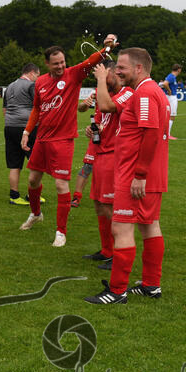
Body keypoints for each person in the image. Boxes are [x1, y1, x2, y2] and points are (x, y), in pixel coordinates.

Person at [85, 48, 169, 305]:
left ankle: (117, 290)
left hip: (136, 175)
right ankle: (151, 285)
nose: (117, 71)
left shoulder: (144, 92)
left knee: (121, 228)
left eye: (121, 67)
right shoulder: (150, 91)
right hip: (148, 174)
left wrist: (140, 175)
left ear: (139, 68)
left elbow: (151, 133)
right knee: (149, 225)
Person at [19, 35, 117, 247]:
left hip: (63, 140)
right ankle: (36, 214)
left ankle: (61, 232)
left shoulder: (73, 74)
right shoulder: (41, 82)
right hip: (42, 139)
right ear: (47, 64)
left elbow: (91, 61)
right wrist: (27, 131)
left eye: (62, 62)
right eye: (56, 64)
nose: (61, 66)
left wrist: (106, 47)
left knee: (61, 184)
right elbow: (36, 108)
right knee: (33, 181)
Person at [81, 62, 134, 269]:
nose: (101, 78)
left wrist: (101, 79)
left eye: (105, 74)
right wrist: (92, 129)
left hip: (115, 155)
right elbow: (101, 118)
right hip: (101, 152)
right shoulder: (103, 92)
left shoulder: (128, 92)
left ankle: (118, 254)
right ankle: (106, 250)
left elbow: (107, 107)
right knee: (98, 204)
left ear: (115, 74)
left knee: (111, 207)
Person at [3, 63, 40, 204]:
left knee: (14, 164)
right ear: (31, 73)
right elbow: (38, 107)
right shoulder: (31, 86)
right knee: (35, 162)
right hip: (26, 128)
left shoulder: (9, 86)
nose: (37, 78)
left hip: (9, 126)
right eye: (37, 75)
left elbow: (5, 110)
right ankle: (33, 195)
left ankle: (14, 196)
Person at [71, 92, 98, 208]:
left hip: (114, 136)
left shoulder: (123, 93)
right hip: (97, 135)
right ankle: (76, 197)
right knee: (87, 166)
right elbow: (81, 109)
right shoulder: (98, 92)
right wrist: (85, 104)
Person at [159, 64, 181, 139]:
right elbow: (165, 84)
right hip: (171, 97)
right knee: (172, 115)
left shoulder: (172, 76)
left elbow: (163, 84)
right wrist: (169, 91)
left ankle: (166, 133)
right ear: (179, 70)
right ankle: (167, 134)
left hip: (171, 97)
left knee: (169, 115)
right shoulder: (171, 76)